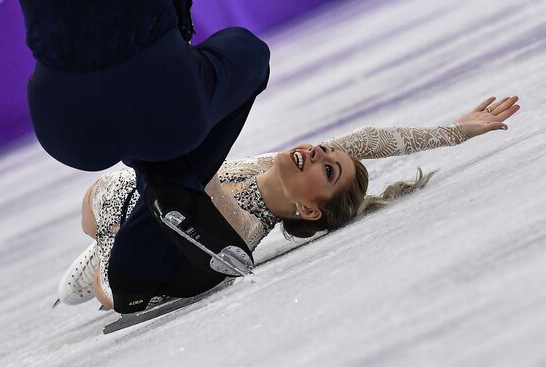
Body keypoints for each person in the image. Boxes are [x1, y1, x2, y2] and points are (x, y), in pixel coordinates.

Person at [57, 96, 520, 310]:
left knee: (116, 189)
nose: (320, 151)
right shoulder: (275, 168)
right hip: (126, 197)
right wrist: (457, 132)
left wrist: (109, 241)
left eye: (328, 169)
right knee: (109, 184)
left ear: (309, 211)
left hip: (123, 251)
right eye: (326, 149)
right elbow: (370, 139)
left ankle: (97, 250)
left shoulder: (241, 226)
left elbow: (116, 295)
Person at [19, 0, 272, 312]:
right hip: (160, 95)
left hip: (62, 122)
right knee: (246, 50)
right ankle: (167, 193)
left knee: (148, 103)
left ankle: (140, 256)